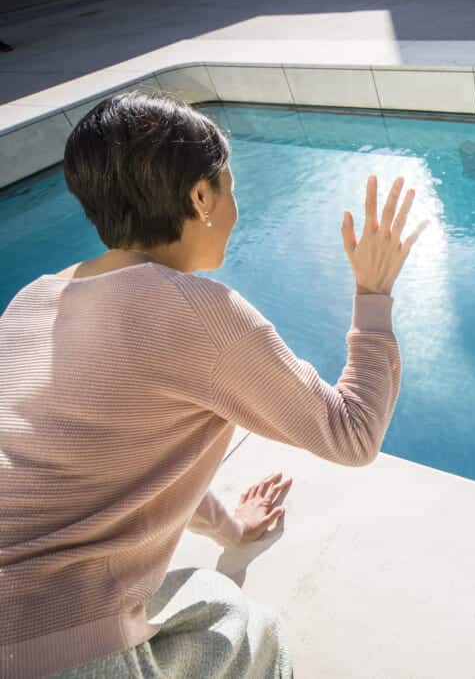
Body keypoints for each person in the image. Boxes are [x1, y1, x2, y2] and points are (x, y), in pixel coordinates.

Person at [0, 91, 428, 679]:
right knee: (255, 638)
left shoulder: (31, 301)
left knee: (223, 608)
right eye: (230, 186)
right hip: (50, 645)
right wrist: (374, 294)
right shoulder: (198, 312)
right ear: (201, 196)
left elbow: (117, 462)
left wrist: (229, 527)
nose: (235, 204)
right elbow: (351, 434)